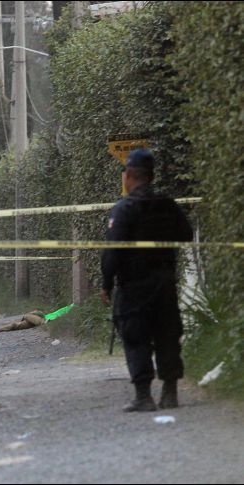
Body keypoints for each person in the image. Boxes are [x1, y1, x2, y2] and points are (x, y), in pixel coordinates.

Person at [100, 149, 194, 413]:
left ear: (129, 176)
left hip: (133, 285)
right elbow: (186, 235)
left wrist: (105, 283)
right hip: (164, 281)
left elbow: (113, 250)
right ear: (151, 176)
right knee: (167, 333)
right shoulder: (168, 204)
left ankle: (144, 396)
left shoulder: (125, 208)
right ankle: (170, 393)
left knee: (136, 336)